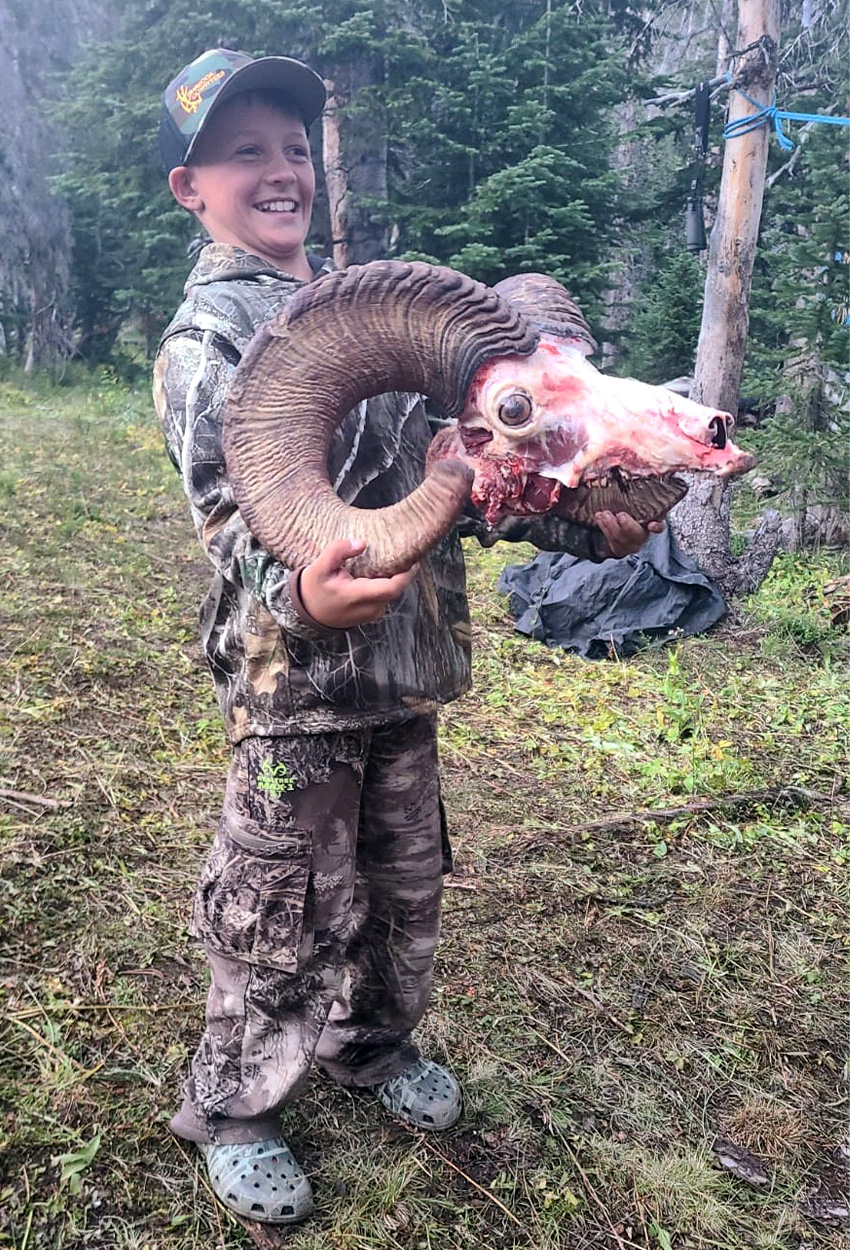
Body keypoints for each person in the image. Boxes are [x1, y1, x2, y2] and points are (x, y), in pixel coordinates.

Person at [153, 46, 662, 1226]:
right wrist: (302, 598)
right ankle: (232, 1102)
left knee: (399, 887)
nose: (280, 171)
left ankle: (368, 1046)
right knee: (281, 903)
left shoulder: (369, 307)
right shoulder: (209, 344)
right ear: (191, 187)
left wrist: (593, 522)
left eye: (292, 149)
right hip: (298, 690)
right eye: (245, 154)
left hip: (404, 674)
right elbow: (236, 527)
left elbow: (466, 475)